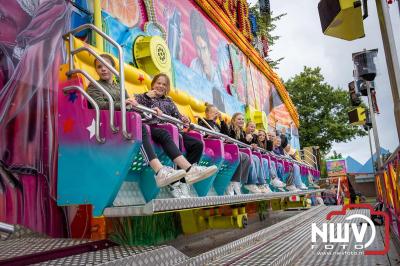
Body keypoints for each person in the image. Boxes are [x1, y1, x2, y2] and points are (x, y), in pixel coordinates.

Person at [87, 55, 217, 198]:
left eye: (106, 65)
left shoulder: (120, 87)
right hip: (114, 124)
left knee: (181, 139)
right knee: (145, 128)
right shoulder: (95, 85)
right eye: (99, 66)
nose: (103, 69)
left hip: (136, 122)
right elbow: (100, 104)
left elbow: (132, 106)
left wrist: (182, 120)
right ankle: (165, 173)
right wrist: (133, 104)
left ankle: (188, 171)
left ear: (113, 67)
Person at [133, 72, 218, 197]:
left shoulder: (169, 101)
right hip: (153, 128)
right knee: (169, 134)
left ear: (167, 88)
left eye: (164, 84)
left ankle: (184, 177)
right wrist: (146, 97)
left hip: (172, 130)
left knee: (197, 144)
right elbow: (134, 108)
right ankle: (182, 176)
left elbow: (177, 116)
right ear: (153, 84)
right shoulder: (144, 96)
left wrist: (184, 119)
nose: (161, 86)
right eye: (158, 83)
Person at [198, 104, 251, 195]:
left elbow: (226, 135)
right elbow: (204, 134)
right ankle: (231, 182)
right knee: (238, 155)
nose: (216, 115)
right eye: (213, 112)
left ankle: (237, 182)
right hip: (212, 147)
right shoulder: (203, 121)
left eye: (216, 113)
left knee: (246, 156)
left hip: (223, 146)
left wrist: (222, 121)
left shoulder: (217, 125)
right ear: (207, 113)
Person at [220, 113, 270, 194]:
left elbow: (242, 144)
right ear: (233, 120)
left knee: (256, 158)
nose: (241, 121)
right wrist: (246, 141)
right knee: (247, 157)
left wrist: (251, 145)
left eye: (242, 119)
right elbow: (229, 138)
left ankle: (260, 183)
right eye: (239, 119)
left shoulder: (242, 132)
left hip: (239, 151)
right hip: (230, 150)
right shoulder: (230, 128)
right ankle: (246, 182)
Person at [189, 11, 225, 112]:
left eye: (203, 48)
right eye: (198, 49)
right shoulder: (194, 63)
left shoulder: (217, 73)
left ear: (209, 50)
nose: (201, 55)